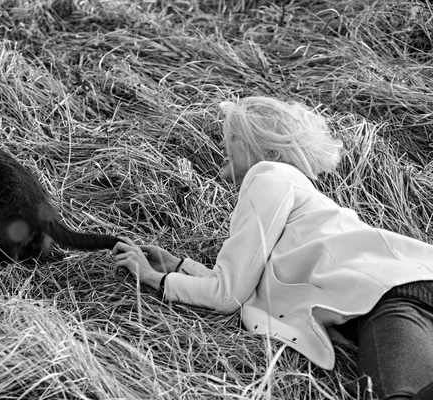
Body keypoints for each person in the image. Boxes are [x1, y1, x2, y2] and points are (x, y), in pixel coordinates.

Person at [112, 96, 433, 400]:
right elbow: (245, 283)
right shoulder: (289, 187)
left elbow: (228, 296)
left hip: (392, 296)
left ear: (262, 146)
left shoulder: (266, 174)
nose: (223, 144)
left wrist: (154, 280)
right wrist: (179, 266)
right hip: (408, 290)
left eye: (233, 136)